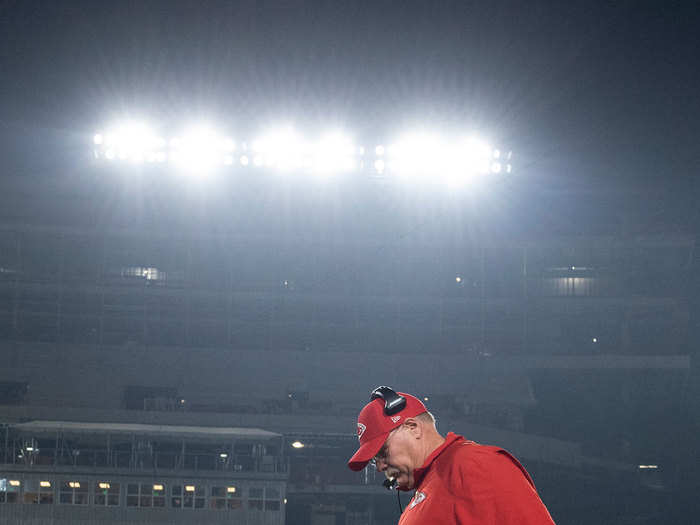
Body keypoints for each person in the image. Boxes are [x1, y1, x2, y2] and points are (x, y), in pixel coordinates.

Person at [347, 386, 555, 524]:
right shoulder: (432, 484)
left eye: (383, 452)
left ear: (413, 428)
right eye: (375, 460)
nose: (381, 466)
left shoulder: (473, 465)